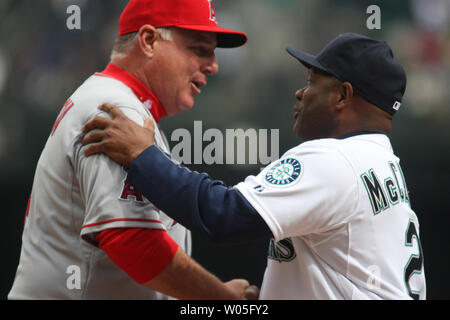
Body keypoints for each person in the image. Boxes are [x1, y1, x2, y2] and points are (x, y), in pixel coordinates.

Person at [81, 33, 427, 300]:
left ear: (342, 96)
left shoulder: (336, 159)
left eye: (312, 81)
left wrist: (143, 155)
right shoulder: (382, 162)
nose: (300, 93)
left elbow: (223, 215)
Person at [8, 0, 259, 300]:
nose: (213, 66)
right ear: (149, 41)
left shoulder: (125, 106)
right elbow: (133, 240)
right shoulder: (118, 110)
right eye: (199, 49)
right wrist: (220, 298)